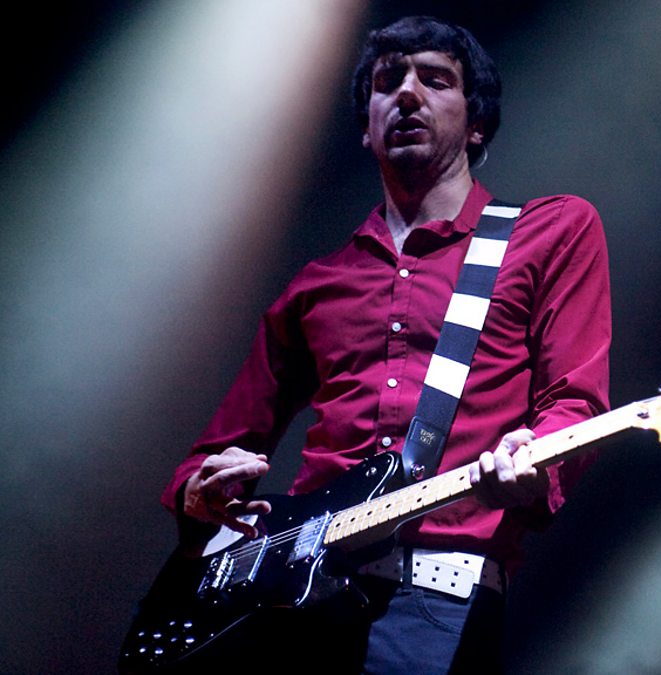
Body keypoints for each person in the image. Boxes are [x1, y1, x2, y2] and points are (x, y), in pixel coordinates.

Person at [160, 15, 610, 673]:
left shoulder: (552, 232)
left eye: (435, 80)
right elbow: (215, 451)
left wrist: (533, 462)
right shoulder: (320, 283)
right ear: (365, 129)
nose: (406, 93)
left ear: (476, 122)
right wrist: (200, 490)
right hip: (290, 598)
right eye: (387, 81)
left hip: (438, 594)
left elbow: (576, 400)